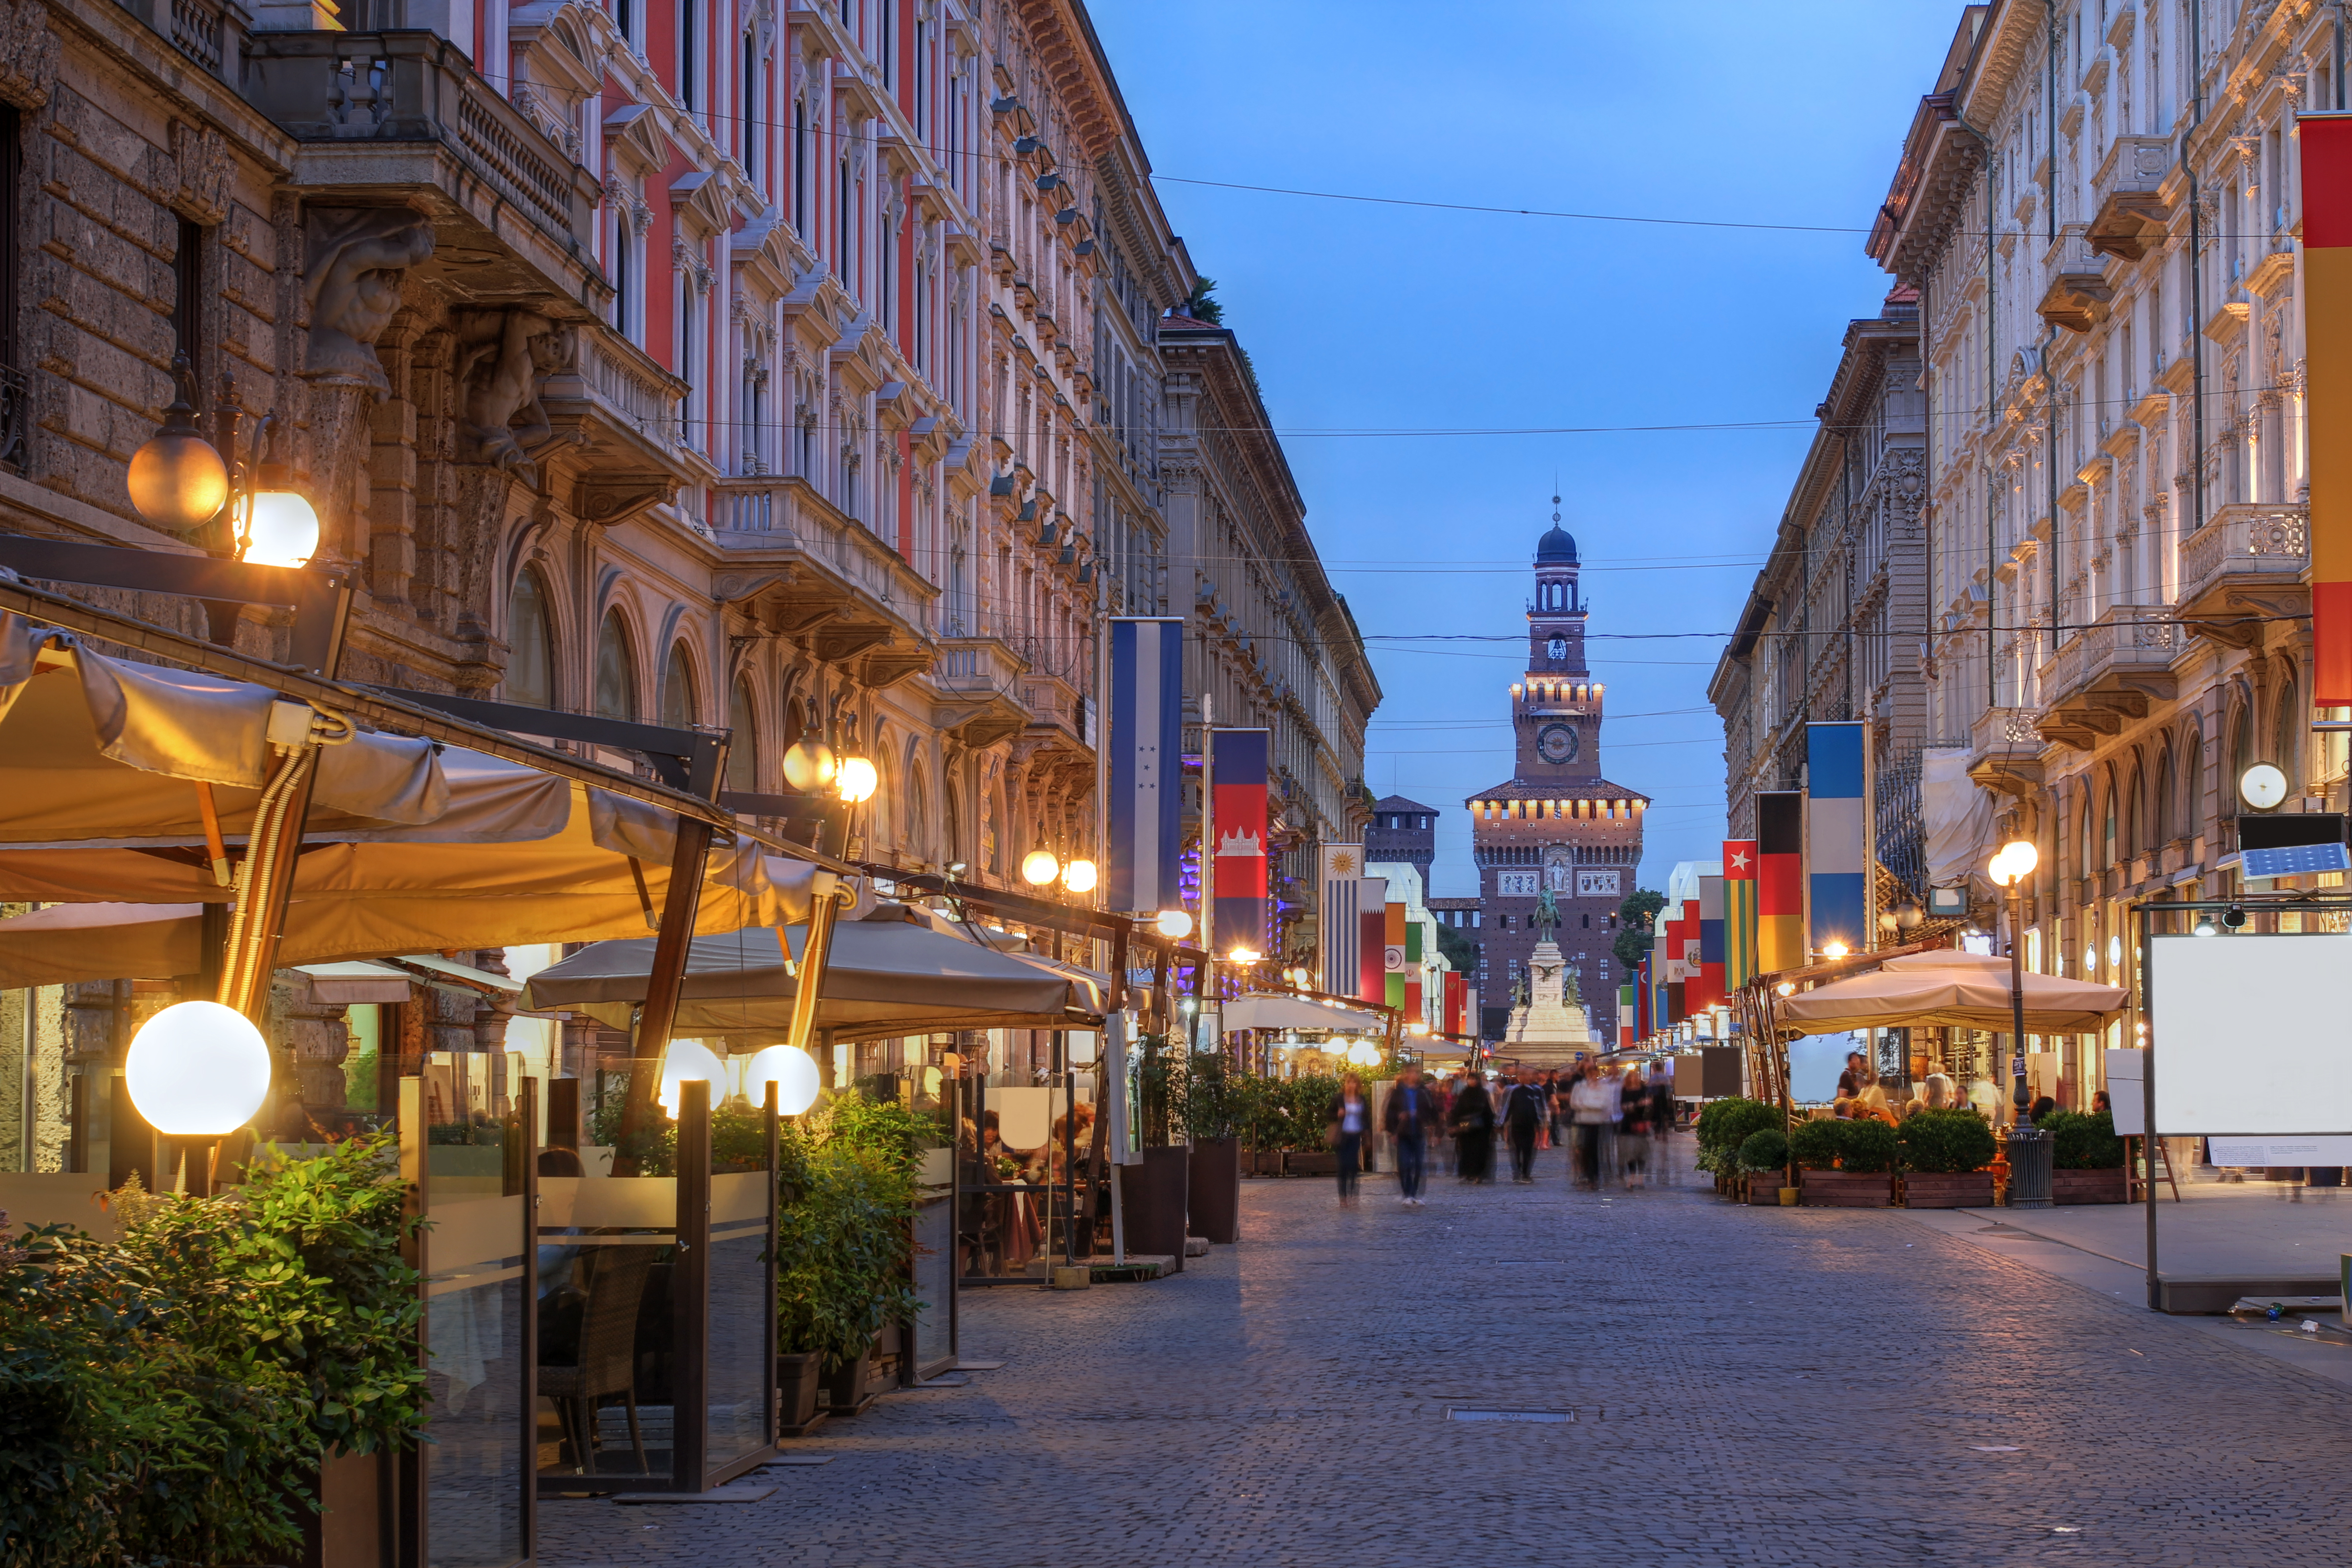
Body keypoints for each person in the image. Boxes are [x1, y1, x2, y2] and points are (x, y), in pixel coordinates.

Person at [1384, 1065, 1438, 1205]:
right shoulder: (1398, 1092)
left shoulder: (1424, 1091)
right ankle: (1407, 1193)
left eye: (1416, 1073)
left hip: (1419, 1131)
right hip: (1403, 1132)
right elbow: (1390, 1112)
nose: (1413, 1075)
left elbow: (1432, 1111)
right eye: (1411, 1072)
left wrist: (1419, 1116)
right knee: (1404, 1164)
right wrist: (1392, 1131)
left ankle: (1416, 1194)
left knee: (1419, 1164)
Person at [1569, 1061, 1620, 1190]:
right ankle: (1586, 1175)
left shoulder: (1604, 1087)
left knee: (1595, 1151)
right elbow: (1574, 1103)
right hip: (1582, 1121)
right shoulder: (1580, 1086)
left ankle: (1594, 1178)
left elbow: (1605, 1104)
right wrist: (1591, 1105)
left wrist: (1586, 1105)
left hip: (1597, 1122)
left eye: (1594, 1073)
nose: (1593, 1076)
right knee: (1582, 1150)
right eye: (1590, 1073)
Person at [1499, 1067, 1548, 1183]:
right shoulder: (1513, 1091)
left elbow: (1540, 1107)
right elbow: (1507, 1108)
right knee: (1516, 1150)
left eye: (1526, 1075)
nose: (1524, 1078)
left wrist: (1542, 1122)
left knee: (1528, 1150)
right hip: (1517, 1124)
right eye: (1521, 1075)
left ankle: (1526, 1173)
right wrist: (1502, 1122)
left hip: (1530, 1125)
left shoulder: (1535, 1091)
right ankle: (1517, 1173)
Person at [1328, 1073, 1371, 1204]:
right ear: (1345, 1084)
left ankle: (1354, 1194)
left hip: (1355, 1134)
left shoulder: (1361, 1099)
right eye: (1348, 1082)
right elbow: (1328, 1114)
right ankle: (1343, 1197)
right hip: (1342, 1135)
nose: (1350, 1085)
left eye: (1353, 1083)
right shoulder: (1339, 1098)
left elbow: (1366, 1117)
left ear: (1358, 1085)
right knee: (1342, 1166)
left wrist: (1368, 1134)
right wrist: (1338, 1114)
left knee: (1353, 1166)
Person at [1450, 1072, 1496, 1184]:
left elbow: (1488, 1112)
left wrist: (1491, 1128)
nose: (1472, 1081)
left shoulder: (1483, 1094)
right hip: (1466, 1128)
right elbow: (1458, 1111)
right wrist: (1454, 1125)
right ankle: (1468, 1173)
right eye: (1470, 1079)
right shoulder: (1464, 1094)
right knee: (1466, 1151)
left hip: (1481, 1128)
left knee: (1480, 1152)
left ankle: (1478, 1174)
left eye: (1474, 1079)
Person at [1618, 1066, 1653, 1188]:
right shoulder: (1625, 1090)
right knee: (1630, 1152)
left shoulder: (1643, 1088)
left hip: (1641, 1122)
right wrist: (1632, 1106)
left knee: (1641, 1151)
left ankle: (1640, 1177)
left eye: (1635, 1077)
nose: (1634, 1079)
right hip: (1628, 1123)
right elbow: (1622, 1105)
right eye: (1632, 1077)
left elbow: (1648, 1103)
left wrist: (1638, 1105)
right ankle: (1632, 1177)